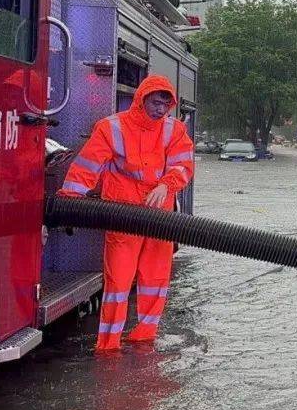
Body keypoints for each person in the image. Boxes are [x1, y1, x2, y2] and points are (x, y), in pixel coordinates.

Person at [58, 75, 195, 351]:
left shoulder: (174, 130)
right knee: (118, 282)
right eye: (156, 103)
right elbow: (88, 165)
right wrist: (68, 202)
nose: (160, 109)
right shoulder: (112, 127)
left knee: (155, 281)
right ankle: (108, 345)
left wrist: (165, 185)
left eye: (165, 105)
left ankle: (145, 338)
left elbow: (183, 166)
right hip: (122, 215)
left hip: (159, 219)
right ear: (142, 99)